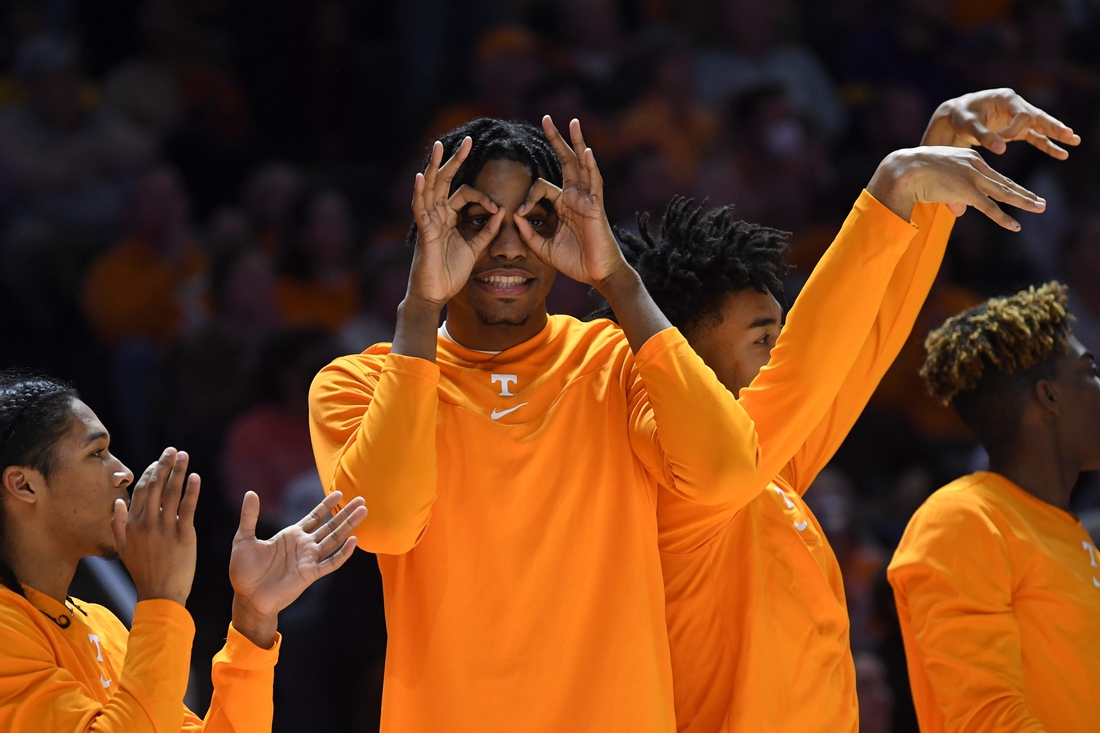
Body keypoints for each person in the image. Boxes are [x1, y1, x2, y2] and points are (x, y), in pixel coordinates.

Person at [612, 89, 1074, 732]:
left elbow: (864, 343)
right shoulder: (678, 486)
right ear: (686, 357)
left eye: (780, 335)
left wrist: (933, 178)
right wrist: (891, 189)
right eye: (761, 341)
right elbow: (807, 370)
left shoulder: (769, 478)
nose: (779, 355)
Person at [309, 115, 768, 732]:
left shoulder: (615, 358)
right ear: (430, 230)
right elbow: (386, 524)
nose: (505, 247)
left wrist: (618, 279)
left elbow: (728, 473)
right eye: (476, 221)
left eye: (534, 221)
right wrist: (420, 308)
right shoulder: (355, 384)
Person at [0, 371, 368, 731]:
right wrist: (160, 598)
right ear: (24, 484)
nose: (125, 472)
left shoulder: (103, 624)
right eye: (97, 453)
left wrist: (254, 618)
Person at [888, 282, 1100, 733]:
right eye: (1090, 370)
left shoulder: (1070, 535)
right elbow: (986, 719)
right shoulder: (963, 520)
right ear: (1049, 397)